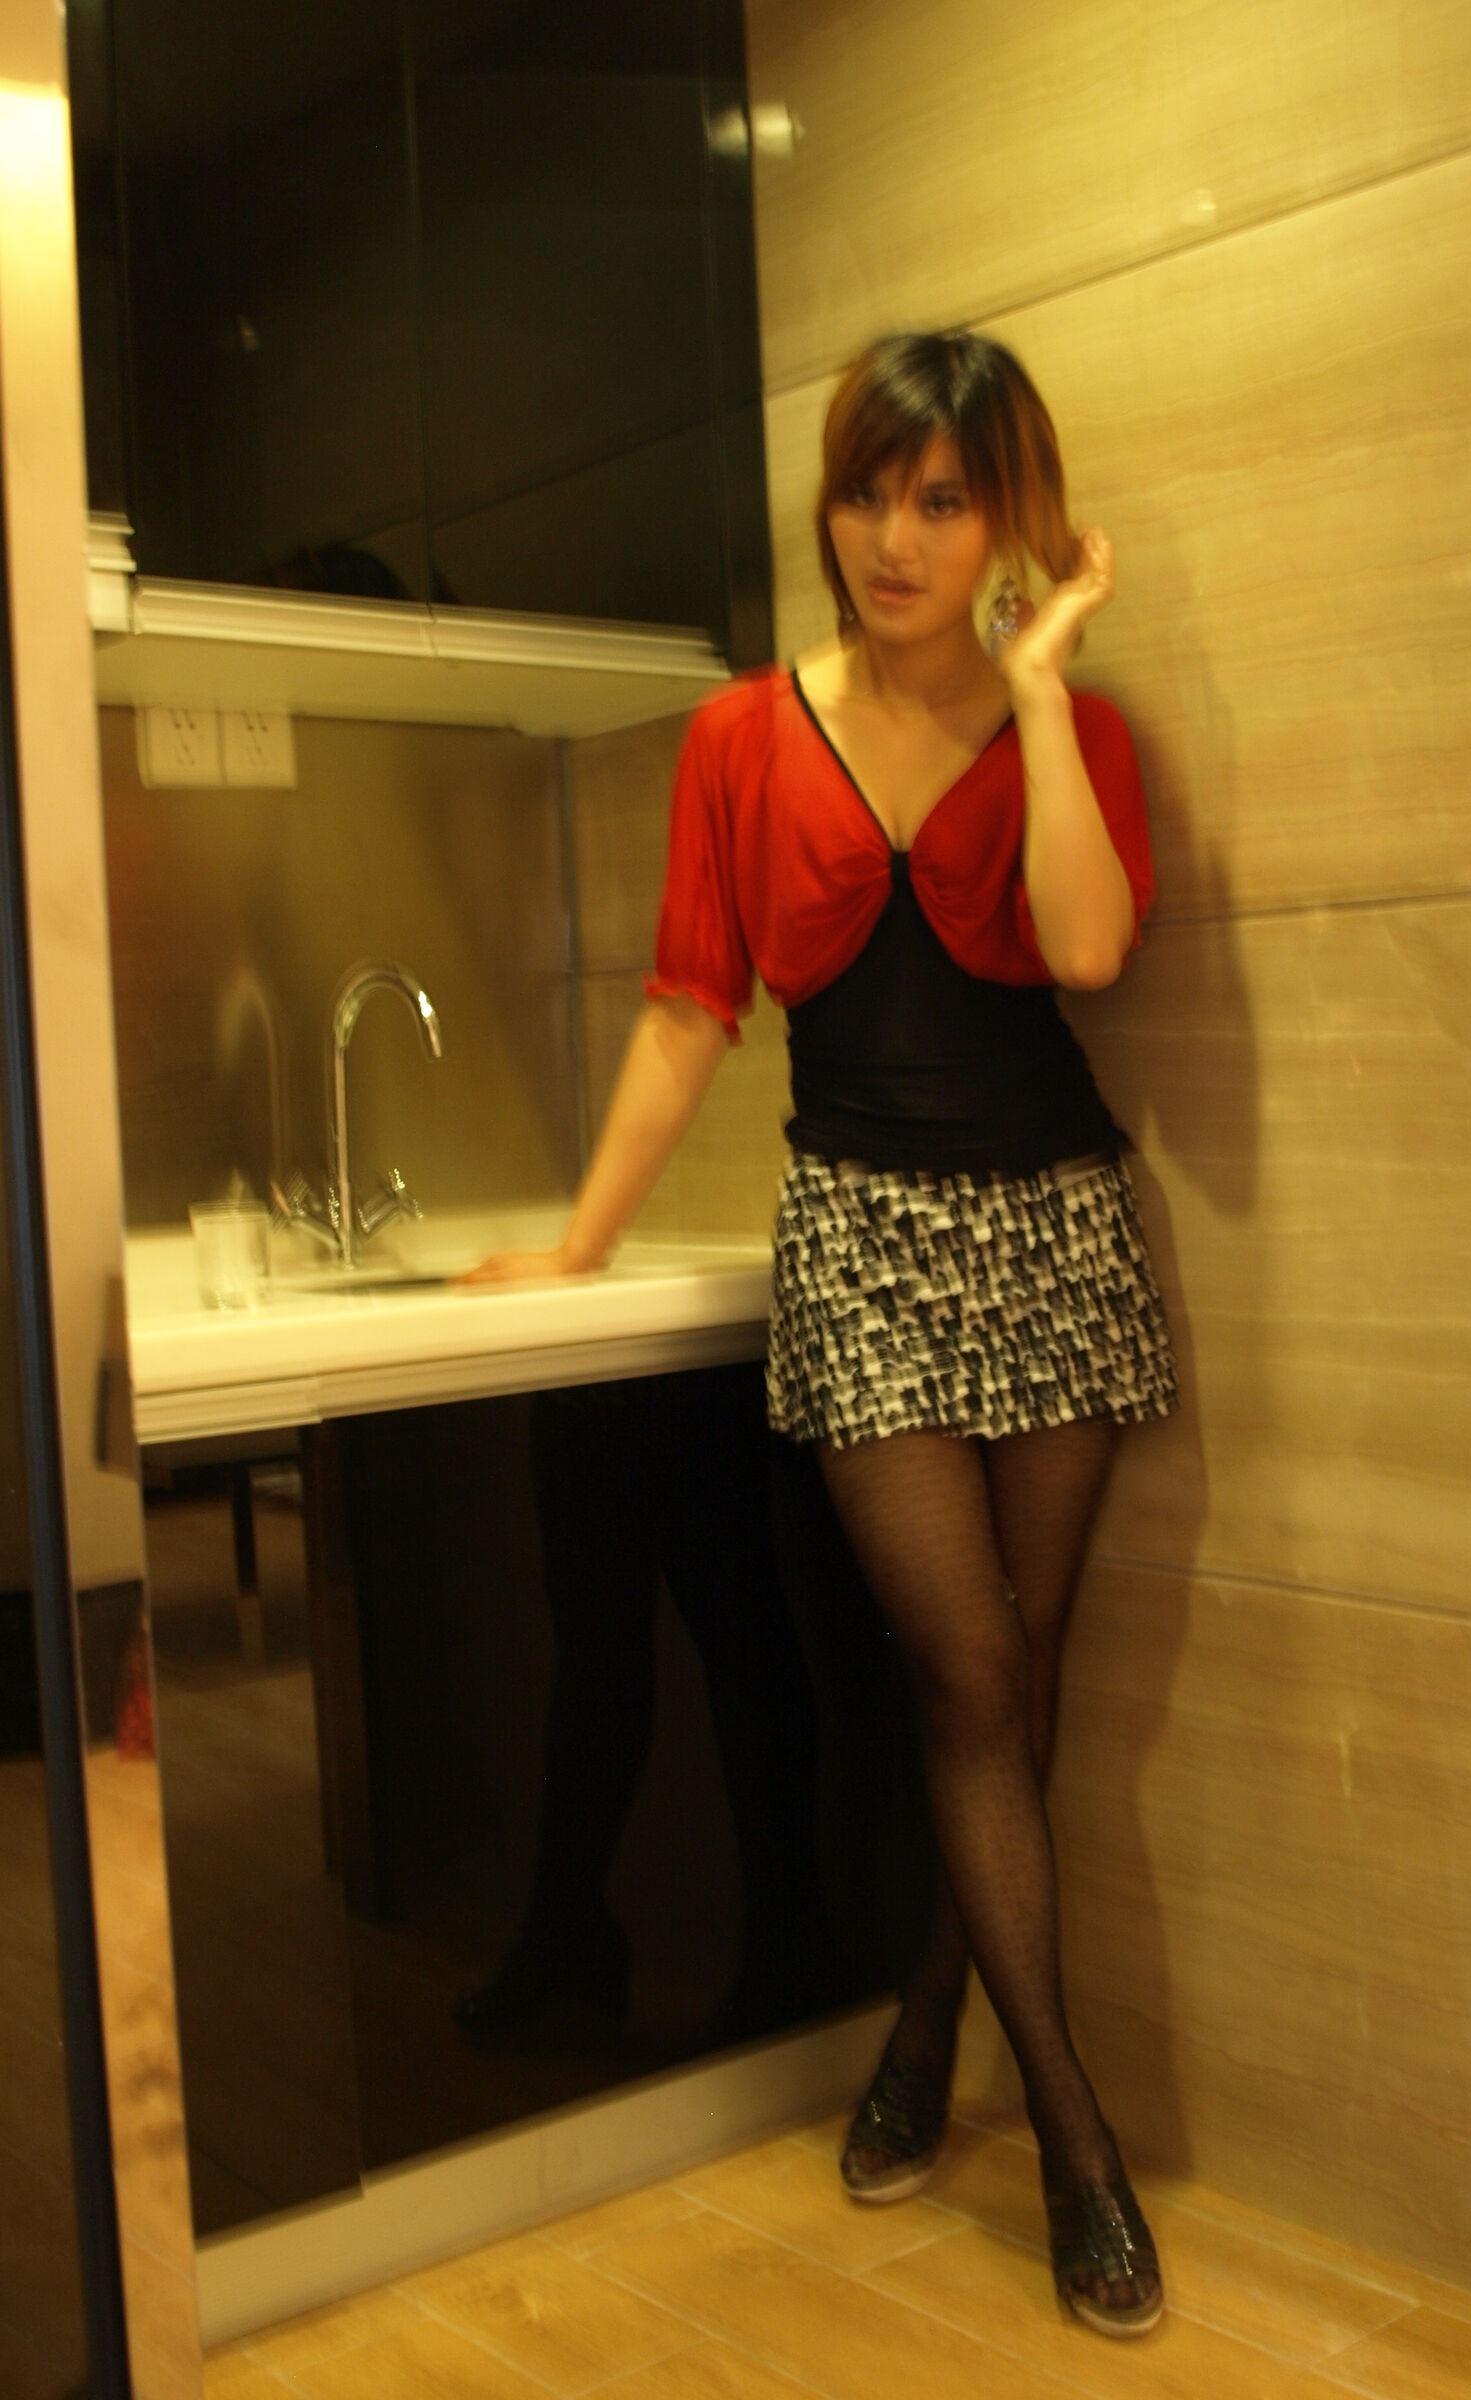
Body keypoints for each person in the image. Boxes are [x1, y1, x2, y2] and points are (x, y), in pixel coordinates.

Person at [460, 327, 1178, 2338]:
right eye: (869, 490)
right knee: (964, 1665)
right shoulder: (741, 738)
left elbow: (1091, 946)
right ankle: (1079, 2148)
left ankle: (925, 2036)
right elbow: (690, 1007)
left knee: (1018, 1682)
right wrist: (580, 1245)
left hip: (1056, 1229)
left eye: (942, 500)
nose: (893, 536)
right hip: (860, 1240)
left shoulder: (1072, 725)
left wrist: (1039, 692)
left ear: (1008, 518)